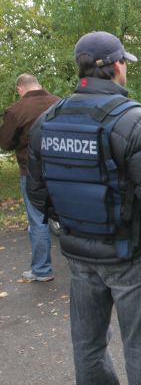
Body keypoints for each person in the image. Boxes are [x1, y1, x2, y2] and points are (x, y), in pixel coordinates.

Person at [27, 31, 141, 385]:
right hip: (130, 254)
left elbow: (38, 194)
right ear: (116, 66)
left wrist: (76, 223)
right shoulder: (134, 121)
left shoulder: (48, 121)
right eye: (124, 62)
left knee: (88, 347)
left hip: (80, 254)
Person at [0, 74, 59, 282]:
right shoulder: (59, 103)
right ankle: (84, 266)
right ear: (38, 85)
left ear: (20, 88)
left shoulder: (16, 111)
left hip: (32, 172)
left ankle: (42, 270)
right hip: (62, 171)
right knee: (71, 218)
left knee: (38, 221)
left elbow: (5, 142)